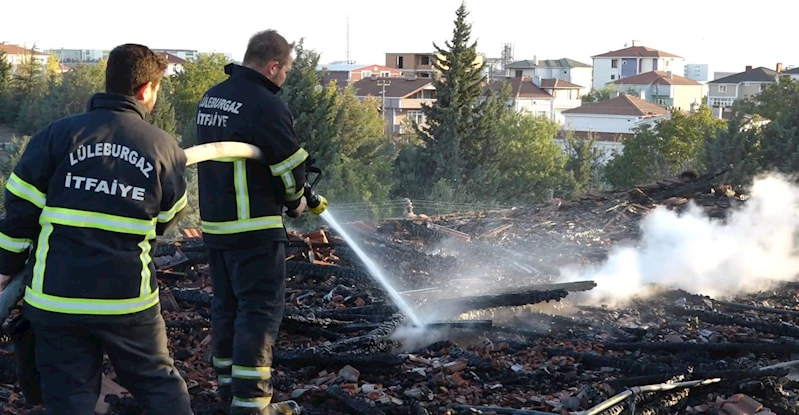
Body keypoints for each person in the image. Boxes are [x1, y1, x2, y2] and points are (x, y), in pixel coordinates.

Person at [0, 44, 193, 415]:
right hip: (127, 301)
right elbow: (169, 219)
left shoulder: (54, 137)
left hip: (56, 299)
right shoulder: (163, 148)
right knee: (158, 385)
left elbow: (18, 217)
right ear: (145, 90)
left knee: (68, 396)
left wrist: (7, 266)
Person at [195, 29, 310, 415]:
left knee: (227, 307)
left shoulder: (214, 95)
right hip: (253, 227)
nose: (285, 78)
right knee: (258, 313)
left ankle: (229, 392)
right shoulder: (265, 103)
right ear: (273, 65)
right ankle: (252, 405)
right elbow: (293, 165)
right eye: (287, 71)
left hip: (216, 224)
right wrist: (295, 202)